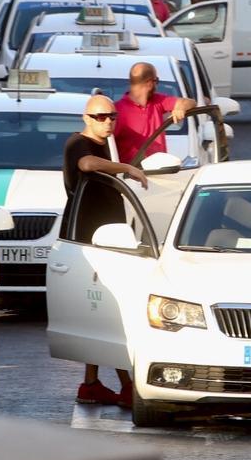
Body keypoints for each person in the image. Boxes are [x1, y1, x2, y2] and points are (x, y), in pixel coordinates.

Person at [62, 95, 149, 406]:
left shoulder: (105, 143)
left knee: (97, 312)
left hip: (108, 240)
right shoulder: (79, 144)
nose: (108, 121)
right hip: (90, 242)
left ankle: (91, 384)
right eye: (100, 116)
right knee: (112, 314)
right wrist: (126, 167)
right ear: (86, 117)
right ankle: (126, 385)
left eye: (112, 115)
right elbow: (86, 165)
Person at [114, 62, 196, 164]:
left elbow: (191, 102)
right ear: (149, 83)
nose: (157, 85)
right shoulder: (117, 111)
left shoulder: (157, 101)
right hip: (131, 175)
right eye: (156, 81)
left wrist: (181, 108)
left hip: (160, 171)